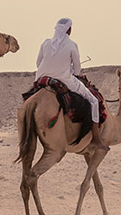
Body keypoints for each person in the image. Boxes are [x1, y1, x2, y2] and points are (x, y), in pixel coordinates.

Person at [34, 17, 106, 148]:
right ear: (69, 29)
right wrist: (70, 70)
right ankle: (96, 138)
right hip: (65, 79)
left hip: (41, 78)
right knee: (94, 101)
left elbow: (38, 63)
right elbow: (77, 70)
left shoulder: (46, 43)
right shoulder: (72, 45)